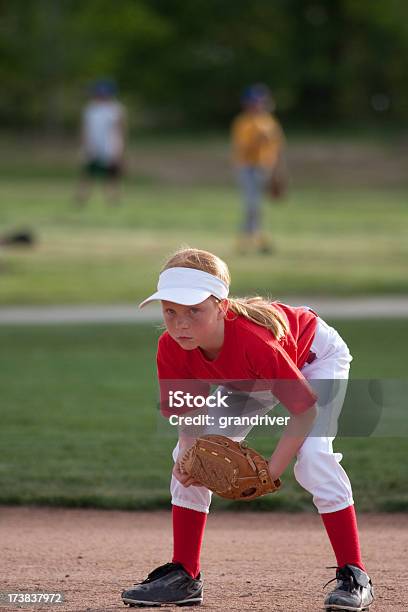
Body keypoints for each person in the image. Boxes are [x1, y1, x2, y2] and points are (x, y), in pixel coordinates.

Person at [121, 247, 375, 611]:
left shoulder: (255, 342)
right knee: (188, 459)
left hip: (315, 359)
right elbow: (188, 417)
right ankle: (184, 575)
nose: (181, 324)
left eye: (195, 310)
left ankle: (355, 575)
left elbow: (304, 411)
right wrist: (191, 458)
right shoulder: (172, 346)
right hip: (248, 379)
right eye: (170, 311)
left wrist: (269, 473)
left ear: (221, 307)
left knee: (314, 458)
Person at [231, 83, 286, 254]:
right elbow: (242, 148)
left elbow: (277, 148)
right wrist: (258, 139)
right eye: (254, 101)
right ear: (247, 103)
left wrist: (278, 171)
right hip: (248, 168)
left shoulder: (269, 122)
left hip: (265, 168)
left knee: (257, 207)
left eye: (261, 101)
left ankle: (251, 241)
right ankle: (254, 242)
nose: (259, 104)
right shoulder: (243, 122)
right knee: (252, 205)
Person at [75, 78, 126, 206]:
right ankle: (81, 199)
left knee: (111, 176)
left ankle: (113, 201)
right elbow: (85, 129)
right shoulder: (90, 109)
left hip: (110, 148)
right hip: (92, 147)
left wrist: (119, 149)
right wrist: (85, 146)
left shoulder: (116, 109)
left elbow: (120, 130)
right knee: (87, 174)